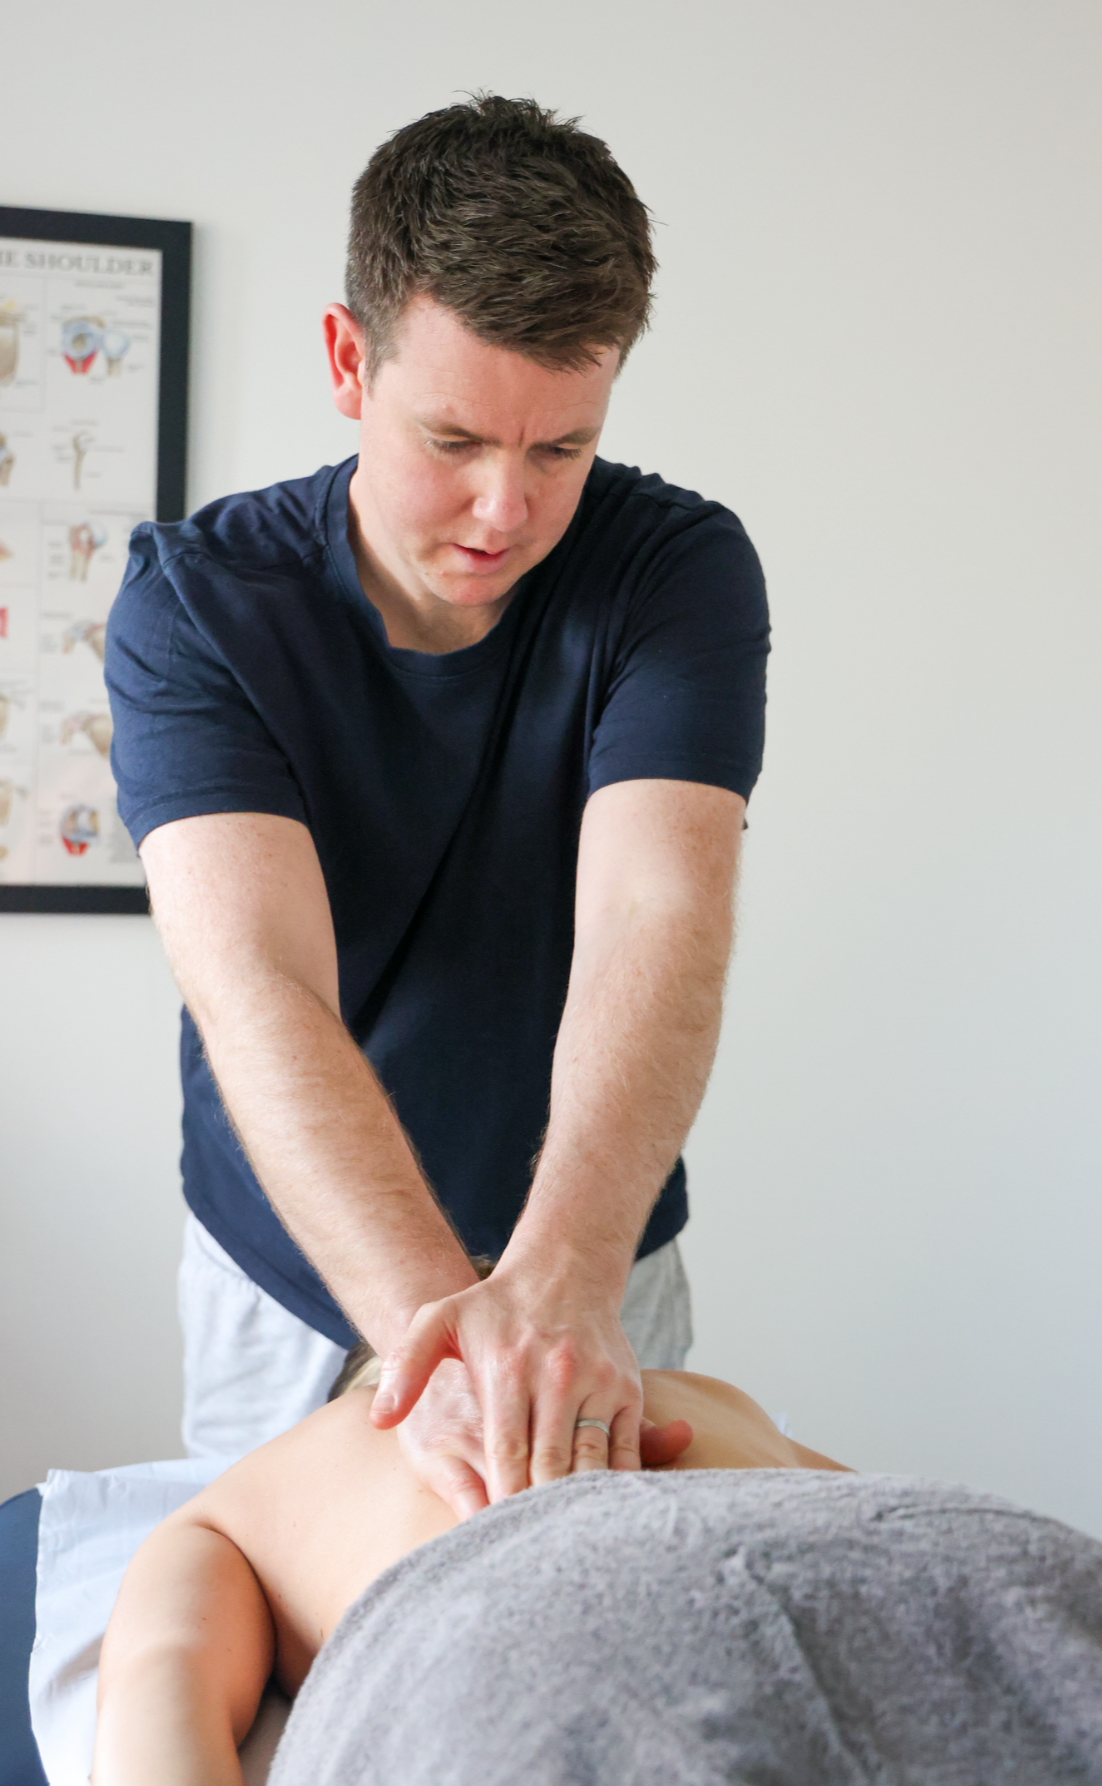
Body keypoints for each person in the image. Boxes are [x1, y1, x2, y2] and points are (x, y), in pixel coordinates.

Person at [105, 94, 770, 1520]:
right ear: (349, 361)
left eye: (560, 451)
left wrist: (559, 1289)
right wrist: (442, 1337)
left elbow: (661, 908)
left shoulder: (674, 573)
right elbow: (256, 979)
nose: (502, 509)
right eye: (456, 438)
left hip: (596, 1261)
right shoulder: (197, 604)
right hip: (289, 1269)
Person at [91, 1353, 846, 1785]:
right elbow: (889, 1529)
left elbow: (161, 1684)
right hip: (784, 1604)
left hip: (516, 1670)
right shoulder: (716, 1402)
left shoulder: (257, 1488)